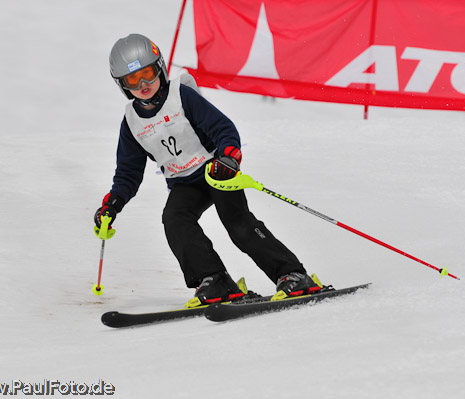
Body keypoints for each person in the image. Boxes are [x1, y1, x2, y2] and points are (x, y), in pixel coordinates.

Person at [94, 33, 320, 306]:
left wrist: (229, 157)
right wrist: (113, 204)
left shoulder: (182, 96)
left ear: (161, 68)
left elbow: (223, 128)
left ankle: (292, 275)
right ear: (122, 85)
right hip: (184, 183)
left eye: (148, 74)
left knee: (238, 225)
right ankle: (215, 280)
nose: (143, 84)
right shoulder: (131, 122)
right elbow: (128, 172)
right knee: (175, 220)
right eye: (133, 80)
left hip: (216, 170)